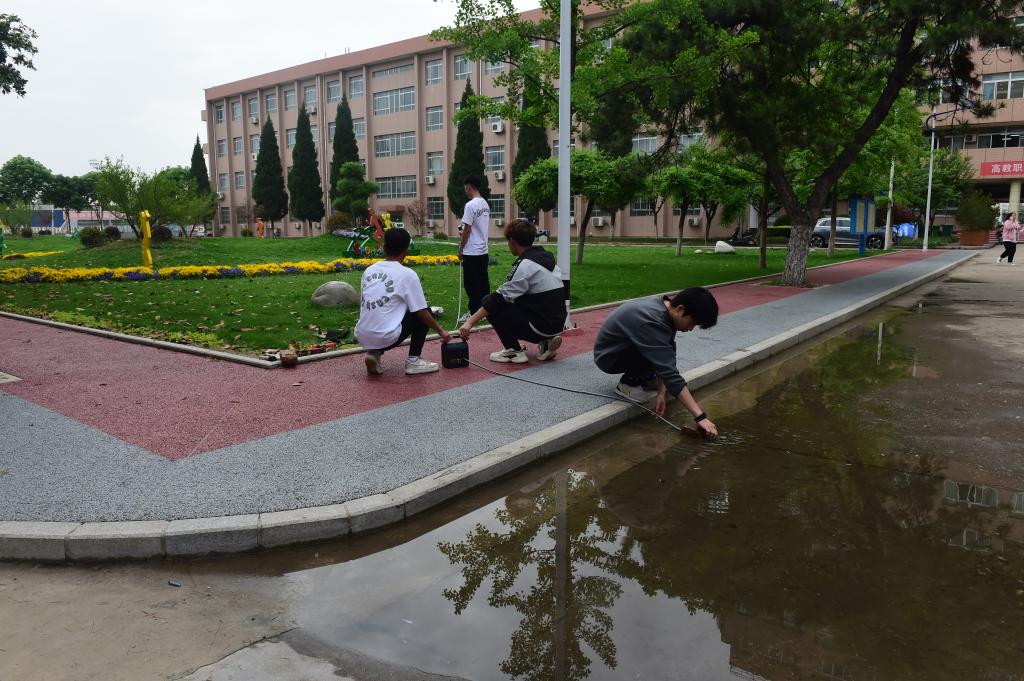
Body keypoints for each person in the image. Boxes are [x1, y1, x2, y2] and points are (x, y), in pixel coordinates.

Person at [593, 287, 720, 438]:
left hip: (626, 348)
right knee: (661, 356)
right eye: (692, 323)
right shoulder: (652, 321)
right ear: (680, 309)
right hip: (609, 357)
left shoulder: (666, 309)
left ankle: (643, 379)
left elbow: (667, 354)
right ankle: (627, 385)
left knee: (664, 353)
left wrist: (661, 392)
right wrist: (700, 417)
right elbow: (669, 372)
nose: (691, 329)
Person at [458, 219, 566, 363]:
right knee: (518, 301)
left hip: (539, 327)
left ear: (513, 241)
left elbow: (498, 298)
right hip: (557, 324)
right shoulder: (546, 259)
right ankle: (547, 342)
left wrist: (469, 322)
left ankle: (513, 350)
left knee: (491, 303)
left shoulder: (525, 265)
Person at [355, 228, 452, 375]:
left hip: (362, 335)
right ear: (406, 250)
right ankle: (413, 360)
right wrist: (441, 331)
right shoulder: (407, 274)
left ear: (384, 247)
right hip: (386, 337)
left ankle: (373, 353)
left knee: (385, 312)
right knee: (425, 313)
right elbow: (420, 311)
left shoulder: (369, 271)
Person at [457, 175, 491, 321]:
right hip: (483, 250)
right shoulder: (485, 204)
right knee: (483, 282)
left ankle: (474, 313)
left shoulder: (470, 205)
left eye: (465, 188)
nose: (465, 191)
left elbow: (467, 229)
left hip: (471, 251)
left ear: (469, 187)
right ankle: (485, 311)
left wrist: (461, 248)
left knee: (471, 284)